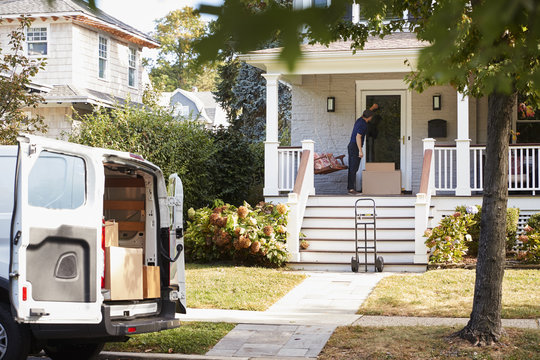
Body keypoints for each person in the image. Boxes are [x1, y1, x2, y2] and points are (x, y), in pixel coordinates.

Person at [348, 104, 378, 194]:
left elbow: (364, 114)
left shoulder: (359, 120)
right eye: (371, 117)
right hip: (355, 146)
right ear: (369, 117)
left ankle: (350, 188)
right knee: (354, 168)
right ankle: (351, 189)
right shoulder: (363, 124)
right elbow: (358, 137)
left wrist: (371, 108)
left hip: (351, 146)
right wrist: (360, 151)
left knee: (352, 168)